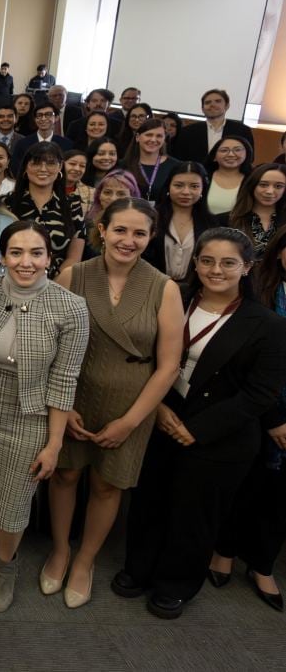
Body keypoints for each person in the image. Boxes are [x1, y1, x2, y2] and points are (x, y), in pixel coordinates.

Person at [115, 228, 286, 620]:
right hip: (161, 415)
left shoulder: (268, 325)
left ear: (247, 267)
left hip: (221, 434)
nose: (216, 270)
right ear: (195, 263)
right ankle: (138, 569)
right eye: (207, 261)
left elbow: (260, 394)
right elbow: (143, 355)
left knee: (195, 514)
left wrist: (198, 430)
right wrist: (158, 408)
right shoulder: (173, 297)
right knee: (149, 501)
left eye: (228, 263)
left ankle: (175, 585)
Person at [44, 198, 183, 608]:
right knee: (65, 475)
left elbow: (168, 366)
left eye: (139, 233)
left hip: (131, 403)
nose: (128, 240)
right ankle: (60, 551)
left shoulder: (164, 287)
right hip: (74, 395)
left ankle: (84, 561)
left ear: (151, 237)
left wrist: (131, 421)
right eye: (120, 230)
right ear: (102, 230)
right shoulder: (73, 275)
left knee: (107, 485)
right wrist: (62, 405)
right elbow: (48, 345)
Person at [0, 221, 89, 611]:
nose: (25, 262)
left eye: (36, 253)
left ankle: (5, 566)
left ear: (49, 258)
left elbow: (64, 380)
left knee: (12, 504)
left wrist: (54, 444)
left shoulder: (71, 306)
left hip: (31, 416)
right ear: (3, 257)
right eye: (16, 252)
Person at [212, 225, 286, 612]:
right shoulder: (261, 295)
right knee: (246, 485)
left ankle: (262, 563)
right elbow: (247, 365)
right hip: (259, 409)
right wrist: (274, 418)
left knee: (281, 496)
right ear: (279, 252)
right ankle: (223, 550)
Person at [6, 143, 84, 278]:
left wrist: (54, 284)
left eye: (50, 164)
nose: (43, 169)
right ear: (26, 167)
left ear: (60, 167)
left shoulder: (73, 204)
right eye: (36, 163)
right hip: (14, 278)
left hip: (59, 281)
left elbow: (74, 257)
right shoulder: (7, 203)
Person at [145, 163, 218, 290]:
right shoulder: (150, 218)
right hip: (153, 286)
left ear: (203, 189)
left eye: (194, 186)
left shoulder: (211, 223)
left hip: (196, 290)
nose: (186, 192)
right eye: (178, 185)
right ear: (168, 186)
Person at [173, 89, 256, 164]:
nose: (212, 104)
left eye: (218, 101)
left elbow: (249, 158)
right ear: (202, 109)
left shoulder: (243, 131)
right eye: (207, 102)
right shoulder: (187, 132)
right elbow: (179, 158)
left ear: (227, 106)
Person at [221, 164, 286, 260]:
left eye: (278, 186)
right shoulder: (225, 220)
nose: (269, 191)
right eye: (263, 185)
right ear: (252, 185)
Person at [125, 119, 181, 201]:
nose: (153, 140)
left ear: (164, 139)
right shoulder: (123, 165)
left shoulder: (176, 166)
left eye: (159, 136)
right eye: (149, 135)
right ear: (137, 137)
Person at [203, 136, 254, 216]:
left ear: (247, 154)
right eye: (224, 150)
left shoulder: (253, 179)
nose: (231, 154)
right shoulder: (202, 177)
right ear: (214, 156)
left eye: (237, 150)